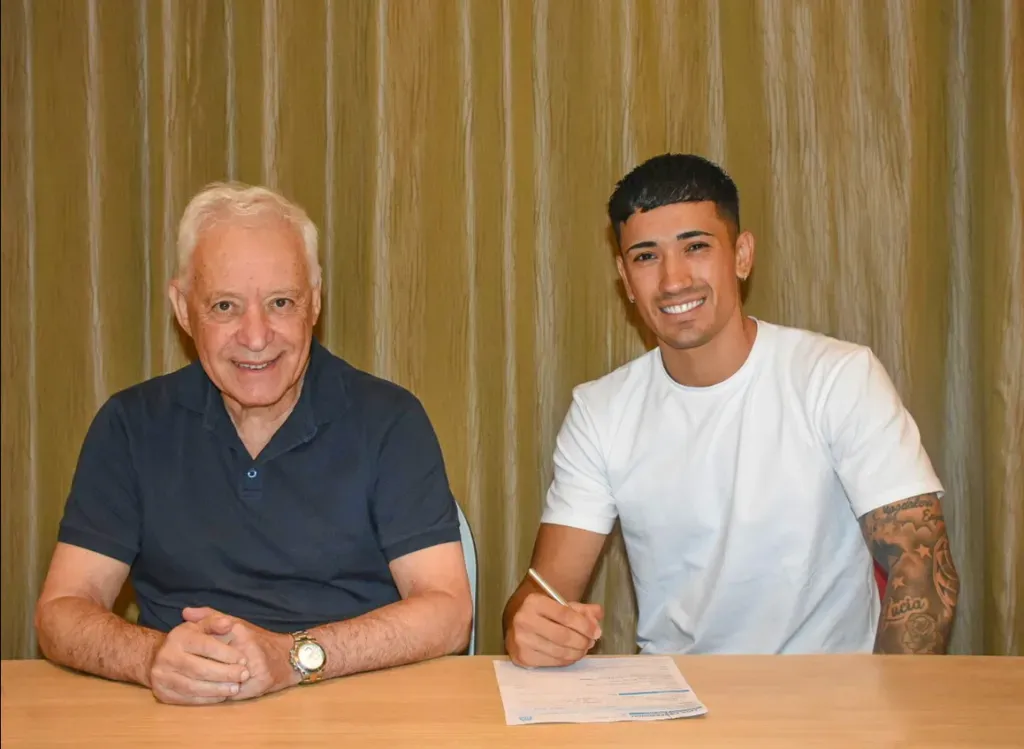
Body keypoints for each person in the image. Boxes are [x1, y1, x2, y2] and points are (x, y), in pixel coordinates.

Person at [503, 154, 960, 664]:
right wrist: (530, 627)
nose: (674, 280)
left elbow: (920, 571)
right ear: (625, 280)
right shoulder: (600, 412)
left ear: (742, 256)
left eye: (695, 247)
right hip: (672, 705)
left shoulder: (838, 377)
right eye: (646, 256)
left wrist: (885, 724)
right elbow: (543, 593)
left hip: (830, 704)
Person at [35, 183, 472, 704]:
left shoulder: (390, 420)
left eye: (280, 302)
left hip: (350, 706)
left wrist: (293, 657)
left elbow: (447, 611)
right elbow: (62, 608)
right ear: (182, 307)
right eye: (224, 306)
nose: (257, 336)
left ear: (314, 302)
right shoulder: (130, 425)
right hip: (179, 716)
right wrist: (152, 658)